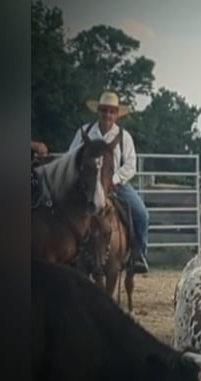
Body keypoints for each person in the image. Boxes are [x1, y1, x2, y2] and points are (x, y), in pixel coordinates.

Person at [68, 90, 150, 273]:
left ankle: (138, 254)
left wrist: (114, 179)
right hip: (88, 185)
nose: (107, 115)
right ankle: (69, 252)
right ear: (99, 111)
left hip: (116, 185)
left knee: (142, 214)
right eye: (104, 110)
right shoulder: (85, 132)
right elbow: (71, 155)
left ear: (116, 115)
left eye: (112, 111)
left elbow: (130, 164)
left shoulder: (123, 136)